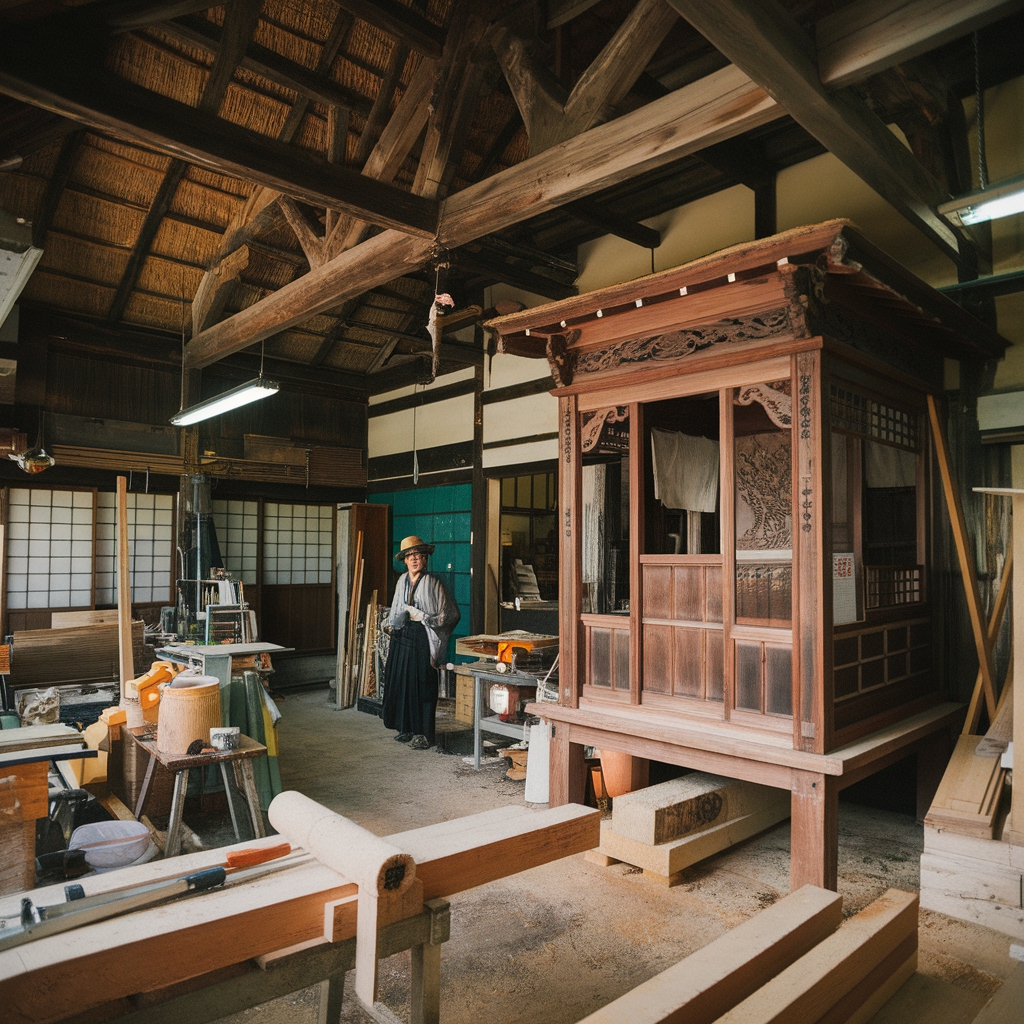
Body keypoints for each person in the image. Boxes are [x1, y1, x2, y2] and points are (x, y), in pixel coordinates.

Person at [382, 535, 460, 750]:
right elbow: (396, 609)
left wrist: (425, 618)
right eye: (410, 556)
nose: (415, 559)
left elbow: (451, 614)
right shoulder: (401, 581)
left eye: (419, 555)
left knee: (422, 685)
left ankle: (424, 733)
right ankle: (405, 727)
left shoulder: (434, 582)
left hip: (424, 637)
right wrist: (390, 624)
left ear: (425, 559)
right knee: (401, 681)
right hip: (403, 637)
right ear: (404, 561)